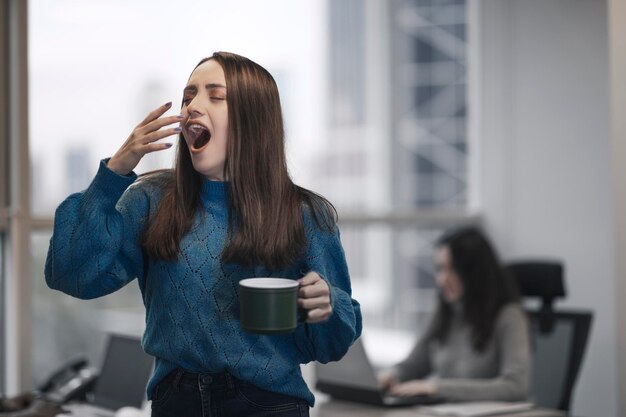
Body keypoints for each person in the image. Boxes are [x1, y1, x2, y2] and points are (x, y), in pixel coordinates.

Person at [45, 51, 362, 417]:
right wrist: (114, 173)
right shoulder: (150, 201)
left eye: (215, 96)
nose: (192, 106)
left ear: (253, 119)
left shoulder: (305, 214)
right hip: (174, 403)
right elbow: (69, 275)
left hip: (268, 405)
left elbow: (330, 346)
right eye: (188, 96)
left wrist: (326, 306)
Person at [378, 227, 530, 402]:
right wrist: (390, 376)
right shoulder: (445, 311)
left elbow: (516, 387)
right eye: (440, 269)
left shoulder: (509, 316)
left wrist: (437, 388)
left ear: (475, 272)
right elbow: (414, 365)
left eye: (453, 269)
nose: (442, 280)